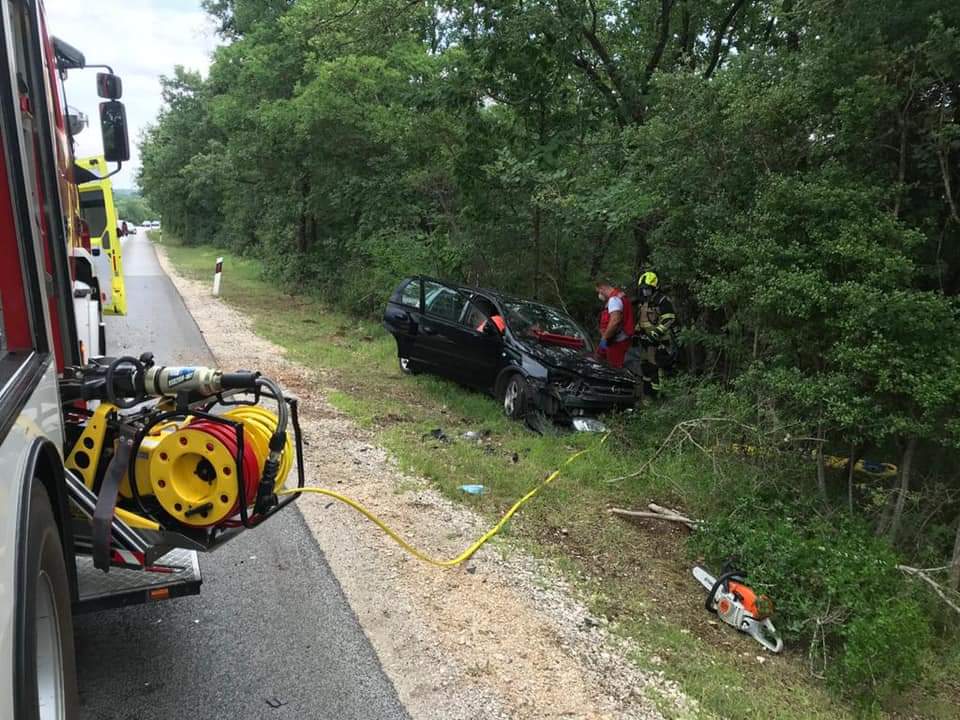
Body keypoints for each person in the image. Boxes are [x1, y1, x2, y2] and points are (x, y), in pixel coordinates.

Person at [628, 271, 678, 396]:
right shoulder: (643, 302)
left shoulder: (662, 301)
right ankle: (648, 395)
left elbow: (669, 319)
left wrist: (656, 332)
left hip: (661, 342)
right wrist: (636, 333)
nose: (645, 292)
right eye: (643, 289)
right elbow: (642, 320)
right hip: (646, 342)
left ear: (655, 288)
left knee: (659, 368)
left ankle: (662, 396)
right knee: (645, 367)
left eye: (648, 289)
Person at [595, 282, 634, 368]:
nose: (599, 295)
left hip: (616, 342)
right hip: (622, 340)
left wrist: (604, 339)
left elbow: (615, 321)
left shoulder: (614, 300)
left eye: (599, 292)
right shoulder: (621, 297)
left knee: (615, 369)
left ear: (602, 288)